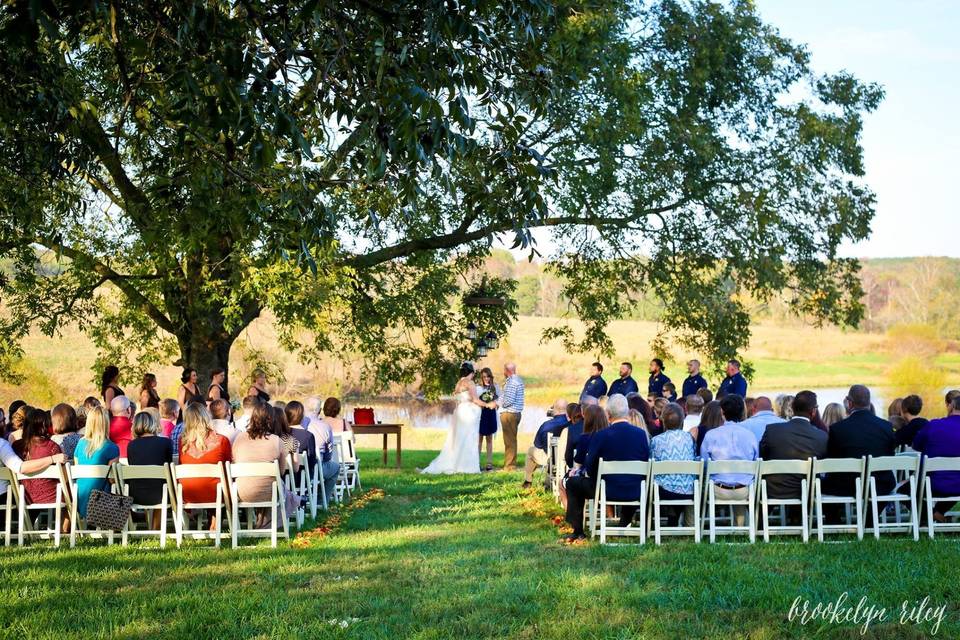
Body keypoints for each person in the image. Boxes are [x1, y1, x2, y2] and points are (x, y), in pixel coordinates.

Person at [563, 394, 650, 543]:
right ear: (627, 412)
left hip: (606, 490)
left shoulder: (602, 435)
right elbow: (645, 461)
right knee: (630, 480)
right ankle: (624, 523)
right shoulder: (641, 435)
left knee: (572, 483)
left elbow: (590, 466)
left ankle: (577, 530)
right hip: (635, 490)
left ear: (608, 414)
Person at [232, 403, 298, 527]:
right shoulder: (276, 440)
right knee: (276, 484)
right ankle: (294, 501)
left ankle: (261, 522)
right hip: (270, 493)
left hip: (242, 492)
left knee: (268, 482)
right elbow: (281, 472)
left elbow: (234, 462)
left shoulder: (239, 438)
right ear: (271, 419)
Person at [421, 362, 493, 475]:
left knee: (459, 438)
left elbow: (458, 399)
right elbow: (475, 400)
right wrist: (488, 404)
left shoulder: (459, 383)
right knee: (469, 438)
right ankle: (467, 467)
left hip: (461, 411)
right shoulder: (469, 382)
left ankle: (456, 463)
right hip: (470, 413)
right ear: (472, 372)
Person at [825, 385, 896, 497]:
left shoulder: (837, 429)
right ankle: (870, 514)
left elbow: (832, 460)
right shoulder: (886, 426)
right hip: (880, 485)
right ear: (869, 402)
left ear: (850, 402)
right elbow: (890, 455)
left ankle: (834, 515)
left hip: (846, 486)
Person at [700, 395, 759, 527]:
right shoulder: (750, 435)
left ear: (722, 412)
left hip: (717, 490)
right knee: (744, 478)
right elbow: (756, 463)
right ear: (742, 412)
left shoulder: (711, 435)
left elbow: (703, 465)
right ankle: (741, 526)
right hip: (745, 491)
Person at [759, 391, 828, 499]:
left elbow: (762, 457)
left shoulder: (772, 430)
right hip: (805, 490)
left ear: (793, 408)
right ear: (813, 411)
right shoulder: (821, 436)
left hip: (773, 489)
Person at [177, 403, 232, 531]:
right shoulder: (222, 440)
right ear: (206, 417)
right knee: (221, 483)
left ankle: (208, 522)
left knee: (214, 483)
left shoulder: (182, 442)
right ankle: (214, 525)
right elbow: (227, 468)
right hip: (215, 493)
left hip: (187, 493)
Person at [912, 394, 960, 521]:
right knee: (953, 483)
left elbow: (916, 445)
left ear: (951, 407)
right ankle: (937, 514)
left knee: (907, 487)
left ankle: (932, 515)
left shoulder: (934, 425)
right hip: (956, 484)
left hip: (933, 484)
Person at [650, 403, 697, 527]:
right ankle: (674, 520)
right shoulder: (689, 439)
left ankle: (667, 521)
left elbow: (651, 463)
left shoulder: (656, 441)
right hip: (689, 489)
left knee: (663, 481)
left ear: (663, 421)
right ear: (682, 420)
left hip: (664, 490)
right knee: (675, 482)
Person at [126, 411, 173, 529]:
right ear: (152, 424)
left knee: (154, 483)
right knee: (163, 484)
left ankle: (148, 525)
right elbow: (169, 467)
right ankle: (156, 528)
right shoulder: (166, 443)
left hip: (135, 494)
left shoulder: (131, 445)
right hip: (161, 494)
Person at [73, 407, 121, 519]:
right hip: (101, 504)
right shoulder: (112, 447)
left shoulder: (80, 444)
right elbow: (112, 479)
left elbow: (77, 470)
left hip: (80, 500)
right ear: (106, 423)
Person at [13, 409, 63, 511]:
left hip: (24, 497)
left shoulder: (16, 446)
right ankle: (63, 527)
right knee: (71, 498)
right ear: (45, 425)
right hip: (52, 497)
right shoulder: (52, 447)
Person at [522, 399, 570, 489]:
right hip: (569, 459)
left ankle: (528, 481)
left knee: (531, 451)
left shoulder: (546, 425)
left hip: (551, 458)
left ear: (555, 410)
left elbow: (538, 445)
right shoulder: (573, 425)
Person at [304, 396, 341, 505]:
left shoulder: (298, 425)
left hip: (298, 468)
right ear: (320, 411)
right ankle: (321, 500)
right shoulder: (325, 427)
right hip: (316, 467)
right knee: (335, 468)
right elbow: (328, 455)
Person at [499, 362, 525, 471]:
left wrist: (499, 403)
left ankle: (509, 466)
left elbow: (508, 400)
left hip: (509, 414)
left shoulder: (512, 382)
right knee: (511, 440)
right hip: (515, 413)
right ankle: (510, 464)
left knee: (509, 441)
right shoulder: (518, 380)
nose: (503, 372)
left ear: (507, 371)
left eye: (504, 370)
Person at [285, 401, 318, 482]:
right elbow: (311, 461)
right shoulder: (308, 436)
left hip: (282, 479)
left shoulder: (280, 434)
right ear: (302, 416)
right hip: (301, 479)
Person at [476, 367, 500, 472]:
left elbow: (499, 402)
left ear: (491, 376)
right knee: (479, 440)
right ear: (481, 377)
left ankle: (489, 463)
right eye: (484, 377)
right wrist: (483, 405)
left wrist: (495, 404)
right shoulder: (478, 388)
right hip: (481, 415)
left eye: (488, 376)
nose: (486, 378)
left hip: (490, 415)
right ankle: (476, 463)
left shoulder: (495, 387)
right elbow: (475, 401)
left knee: (489, 440)